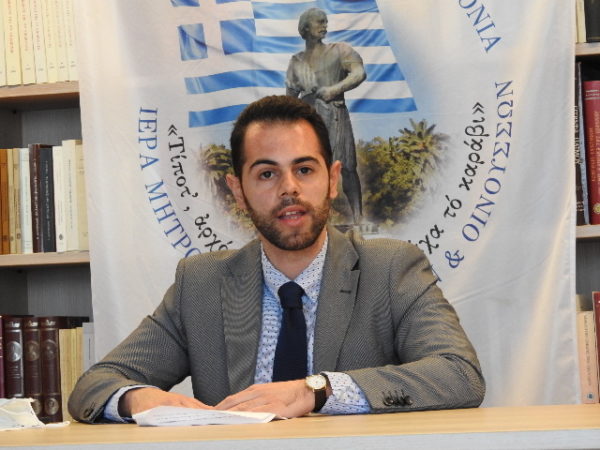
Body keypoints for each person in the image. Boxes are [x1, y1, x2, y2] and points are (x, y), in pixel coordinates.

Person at [68, 95, 484, 423]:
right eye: (267, 174)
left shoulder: (391, 269)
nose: (289, 189)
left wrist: (316, 391)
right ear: (238, 190)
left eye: (304, 170)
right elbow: (95, 385)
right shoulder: (201, 284)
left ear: (332, 179)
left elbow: (459, 374)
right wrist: (138, 399)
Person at [286, 7, 366, 224]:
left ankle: (358, 218)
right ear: (305, 28)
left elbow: (359, 73)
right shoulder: (296, 61)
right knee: (312, 169)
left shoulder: (339, 50)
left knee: (347, 167)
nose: (324, 25)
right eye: (319, 22)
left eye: (325, 21)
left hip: (336, 115)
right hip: (309, 122)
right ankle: (318, 219)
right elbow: (290, 98)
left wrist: (334, 89)